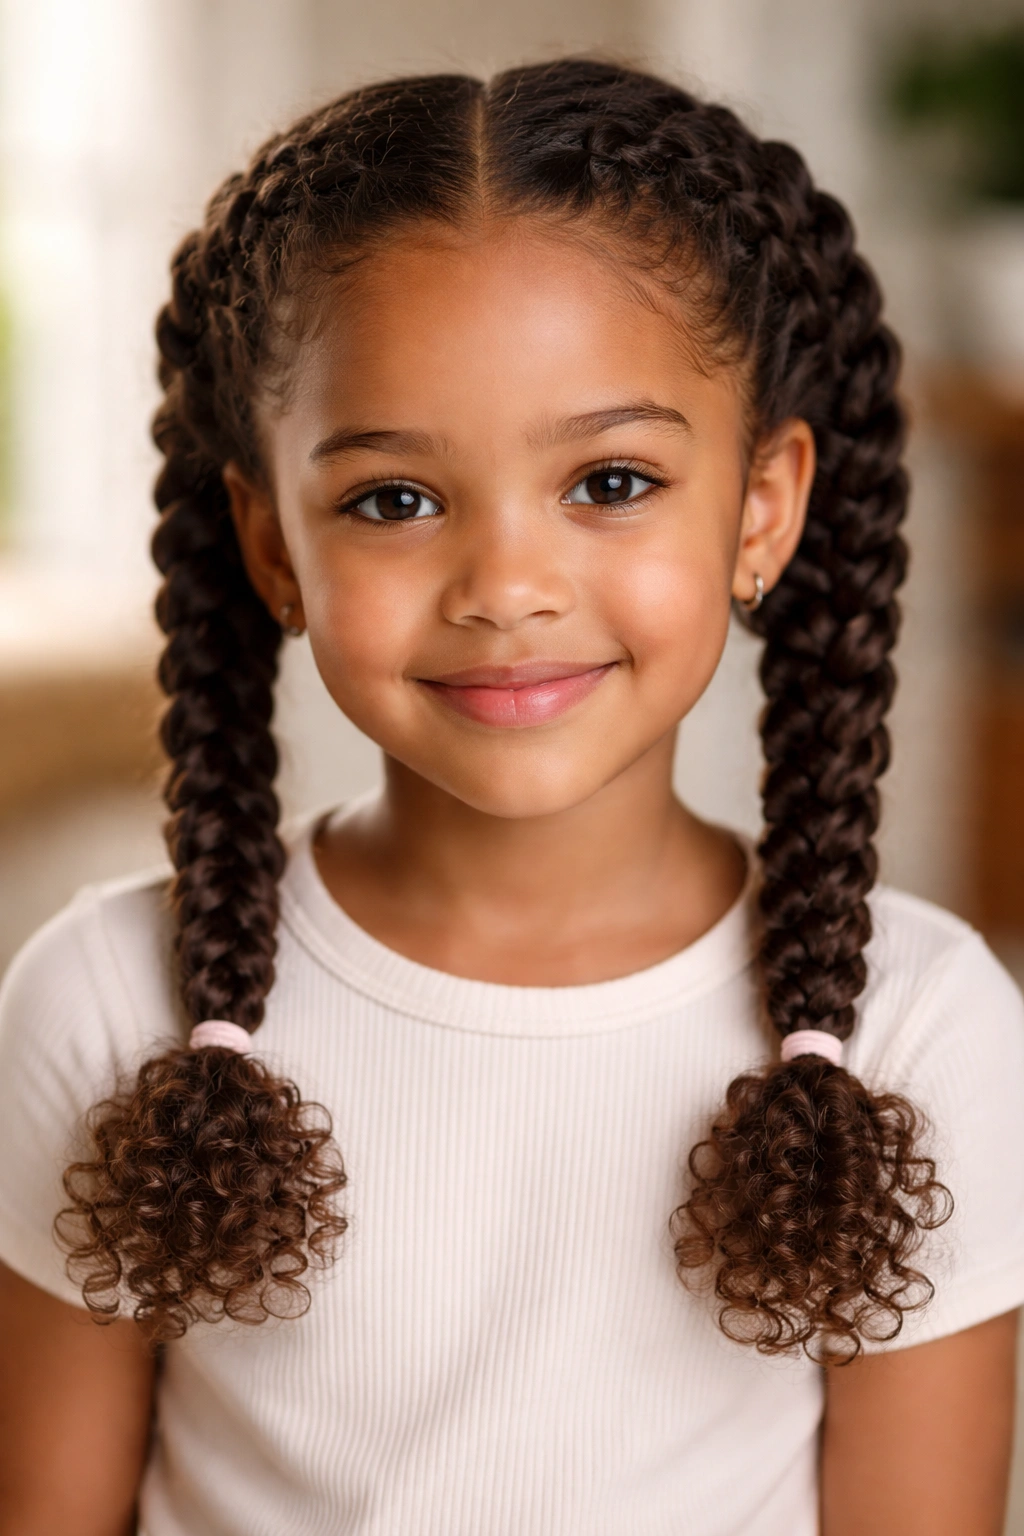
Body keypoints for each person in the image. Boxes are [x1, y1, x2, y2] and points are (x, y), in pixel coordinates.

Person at [1, 59, 1022, 1536]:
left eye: (610, 481)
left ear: (764, 508)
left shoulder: (919, 1032)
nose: (506, 590)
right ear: (272, 545)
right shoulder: (108, 1005)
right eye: (393, 500)